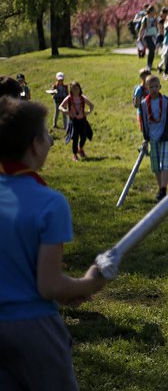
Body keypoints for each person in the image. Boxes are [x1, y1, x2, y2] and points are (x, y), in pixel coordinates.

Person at [0, 96, 107, 390]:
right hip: (34, 329)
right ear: (35, 145)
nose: (51, 140)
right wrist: (89, 282)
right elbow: (50, 286)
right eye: (48, 134)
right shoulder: (50, 204)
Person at [139, 75, 168, 202]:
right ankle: (161, 189)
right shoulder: (143, 104)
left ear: (160, 87)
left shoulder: (167, 101)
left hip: (166, 136)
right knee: (156, 165)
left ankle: (163, 189)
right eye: (151, 87)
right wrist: (145, 138)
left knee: (165, 163)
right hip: (152, 138)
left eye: (156, 87)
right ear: (147, 88)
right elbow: (144, 123)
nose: (154, 89)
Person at [59, 81, 94, 162]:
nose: (75, 90)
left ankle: (80, 148)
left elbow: (91, 105)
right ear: (70, 89)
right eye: (73, 88)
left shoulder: (82, 98)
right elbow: (60, 107)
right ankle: (75, 155)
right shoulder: (69, 98)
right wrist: (66, 111)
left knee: (84, 137)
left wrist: (88, 112)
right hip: (74, 121)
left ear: (79, 89)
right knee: (75, 138)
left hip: (82, 121)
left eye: (76, 88)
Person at [138, 6, 159, 71]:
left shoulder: (155, 18)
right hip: (147, 36)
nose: (155, 12)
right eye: (154, 10)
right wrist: (139, 37)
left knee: (153, 50)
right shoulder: (145, 18)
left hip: (153, 36)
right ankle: (148, 65)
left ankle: (150, 64)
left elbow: (156, 27)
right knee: (151, 49)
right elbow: (142, 28)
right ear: (150, 11)